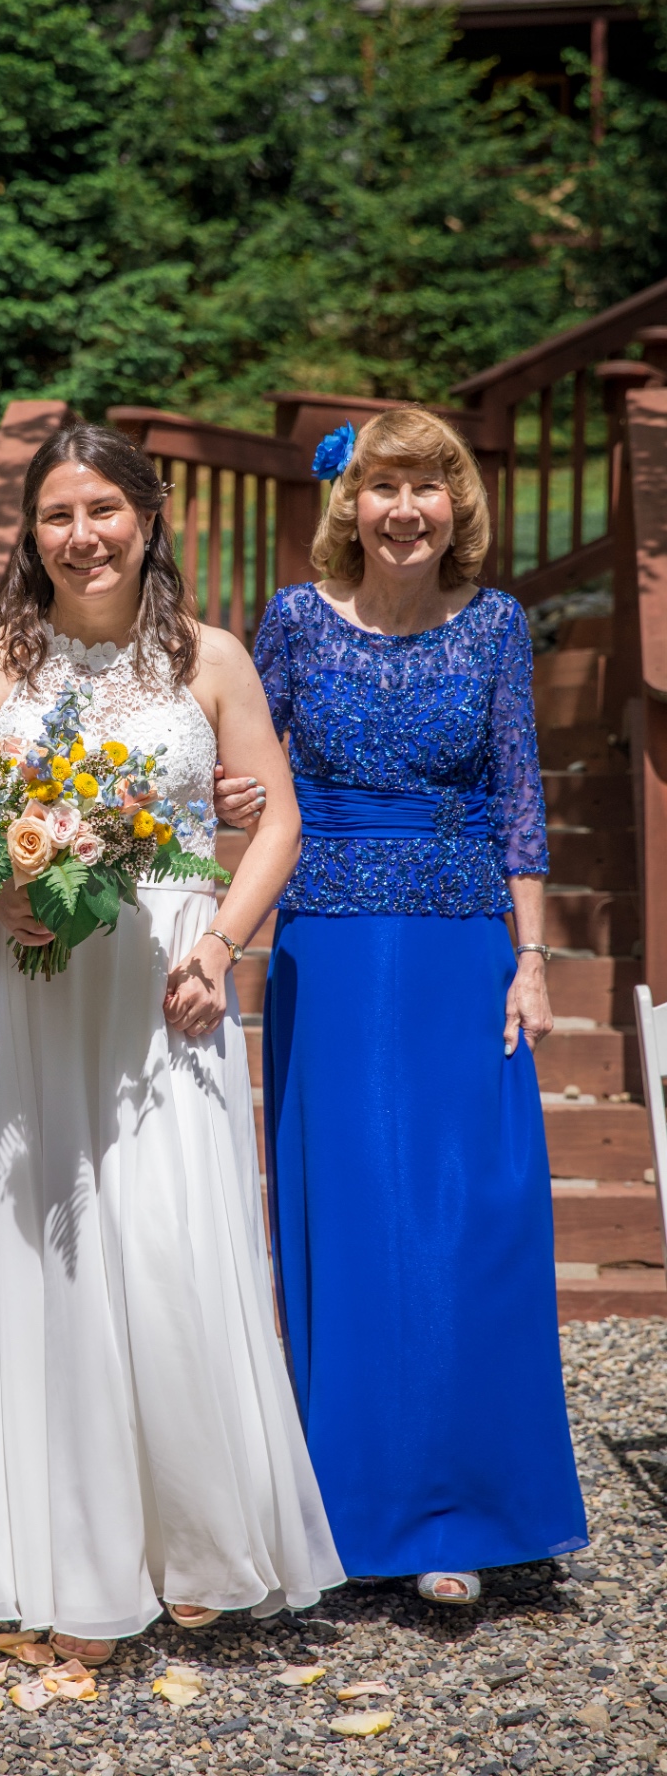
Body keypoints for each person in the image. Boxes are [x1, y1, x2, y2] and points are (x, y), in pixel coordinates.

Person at [0, 422, 344, 1659]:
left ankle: (196, 1541)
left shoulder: (211, 660)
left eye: (103, 510)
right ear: (30, 536)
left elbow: (279, 821)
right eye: (55, 516)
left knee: (167, 1245)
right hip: (28, 986)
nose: (80, 535)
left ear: (148, 519)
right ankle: (62, 1555)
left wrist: (221, 944)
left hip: (166, 990)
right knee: (43, 1254)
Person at [256, 408, 587, 1604]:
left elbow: (519, 796)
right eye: (383, 486)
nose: (404, 509)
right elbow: (240, 758)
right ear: (351, 503)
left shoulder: (495, 626)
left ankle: (471, 1506)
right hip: (328, 953)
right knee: (353, 1219)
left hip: (459, 948)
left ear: (457, 507)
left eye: (427, 487)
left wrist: (532, 957)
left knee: (470, 1215)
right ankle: (346, 1513)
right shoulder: (293, 624)